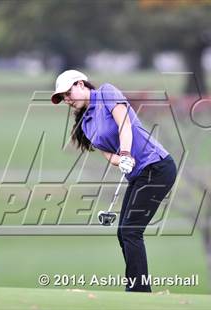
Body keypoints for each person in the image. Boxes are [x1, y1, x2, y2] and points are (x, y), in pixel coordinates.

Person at [51, 70, 177, 292]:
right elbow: (108, 155)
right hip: (138, 174)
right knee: (123, 231)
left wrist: (127, 153)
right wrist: (121, 160)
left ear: (81, 84)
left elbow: (124, 124)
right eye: (62, 98)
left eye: (67, 93)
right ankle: (137, 288)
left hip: (157, 166)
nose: (67, 100)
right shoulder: (86, 124)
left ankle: (138, 292)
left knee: (131, 230)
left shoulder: (107, 92)